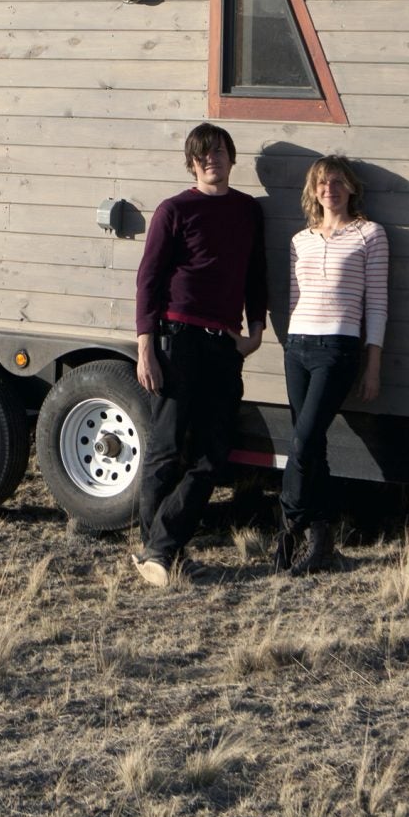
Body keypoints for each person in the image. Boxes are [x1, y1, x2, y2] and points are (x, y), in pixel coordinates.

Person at [132, 122, 268, 585]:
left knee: (212, 456)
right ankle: (161, 551)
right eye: (204, 154)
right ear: (193, 163)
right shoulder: (174, 209)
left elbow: (256, 273)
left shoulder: (249, 211)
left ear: (233, 158)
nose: (213, 159)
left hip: (225, 344)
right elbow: (148, 280)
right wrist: (146, 346)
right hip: (178, 339)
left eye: (220, 152)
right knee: (167, 450)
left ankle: (158, 549)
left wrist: (257, 332)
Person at [276, 154, 386, 575]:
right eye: (322, 183)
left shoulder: (370, 235)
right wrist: (290, 341)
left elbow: (376, 304)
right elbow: (293, 298)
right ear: (313, 190)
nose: (330, 189)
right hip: (298, 346)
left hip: (338, 348)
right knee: (312, 446)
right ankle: (321, 547)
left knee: (303, 442)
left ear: (352, 188)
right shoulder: (300, 240)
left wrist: (372, 363)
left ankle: (288, 527)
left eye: (338, 181)